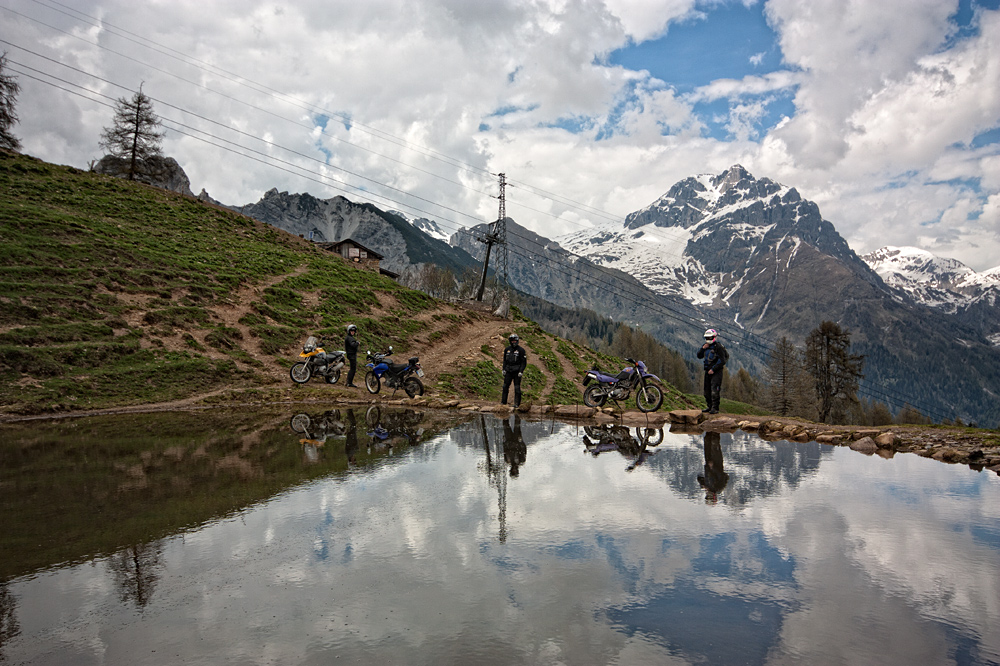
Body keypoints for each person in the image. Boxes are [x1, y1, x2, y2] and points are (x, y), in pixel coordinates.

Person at [696, 328, 728, 414]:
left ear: (714, 337)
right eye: (707, 338)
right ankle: (709, 406)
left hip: (716, 372)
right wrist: (702, 348)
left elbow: (722, 360)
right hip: (707, 371)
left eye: (710, 338)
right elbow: (699, 356)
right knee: (707, 391)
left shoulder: (718, 347)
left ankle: (715, 408)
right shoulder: (705, 346)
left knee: (715, 390)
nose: (708, 340)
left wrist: (713, 369)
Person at [501, 333, 527, 408]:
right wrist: (503, 369)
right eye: (512, 341)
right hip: (508, 370)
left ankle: (517, 404)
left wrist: (521, 371)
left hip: (517, 372)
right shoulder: (507, 349)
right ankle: (503, 402)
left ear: (517, 341)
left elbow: (524, 362)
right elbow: (504, 361)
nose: (513, 342)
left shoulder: (521, 350)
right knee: (505, 386)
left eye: (515, 341)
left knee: (517, 388)